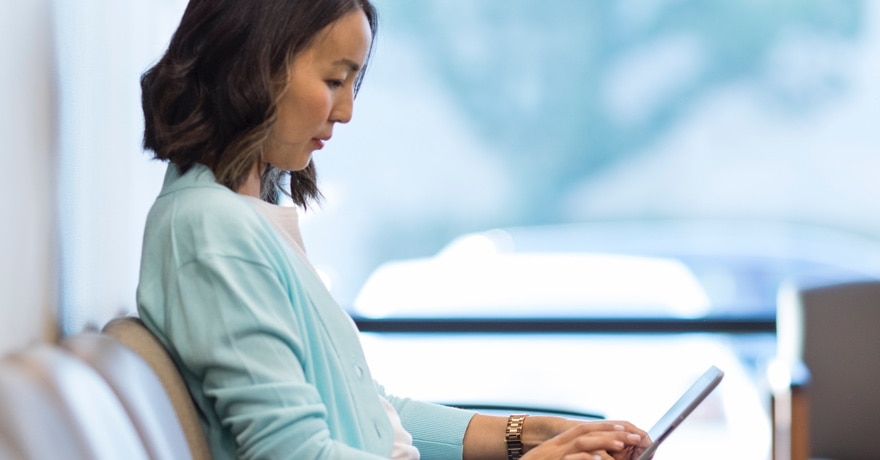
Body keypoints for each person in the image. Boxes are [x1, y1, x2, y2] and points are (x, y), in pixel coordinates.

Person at [136, 0, 652, 459]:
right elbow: (293, 451)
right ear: (253, 64)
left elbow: (370, 411)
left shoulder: (246, 213)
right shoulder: (213, 231)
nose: (346, 112)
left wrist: (531, 433)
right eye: (335, 80)